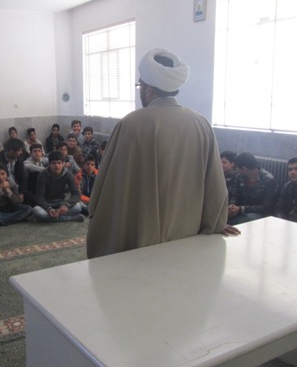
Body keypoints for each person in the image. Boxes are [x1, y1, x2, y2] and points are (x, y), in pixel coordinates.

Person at [87, 48, 234, 259]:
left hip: (139, 236)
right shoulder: (201, 124)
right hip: (185, 238)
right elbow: (215, 188)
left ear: (148, 89)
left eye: (140, 85)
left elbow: (108, 187)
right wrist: (216, 224)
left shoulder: (131, 124)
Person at [33, 151, 84, 223]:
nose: (57, 166)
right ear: (49, 164)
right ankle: (70, 218)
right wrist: (48, 208)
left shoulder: (67, 174)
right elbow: (39, 196)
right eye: (54, 163)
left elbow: (76, 193)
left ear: (63, 164)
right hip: (47, 204)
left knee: (78, 207)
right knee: (36, 211)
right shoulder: (43, 175)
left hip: (61, 203)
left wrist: (66, 205)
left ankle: (51, 218)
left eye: (59, 163)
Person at [228, 152, 278, 225]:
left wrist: (241, 209)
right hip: (241, 210)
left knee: (242, 220)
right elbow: (235, 195)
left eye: (237, 168)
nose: (236, 170)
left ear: (244, 169)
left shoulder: (269, 180)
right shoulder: (239, 177)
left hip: (260, 213)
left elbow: (266, 207)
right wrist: (232, 206)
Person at [0, 138, 29, 204]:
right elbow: (1, 180)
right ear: (11, 150)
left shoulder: (19, 159)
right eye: (19, 150)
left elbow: (23, 177)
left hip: (18, 188)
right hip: (6, 189)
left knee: (33, 200)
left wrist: (22, 194)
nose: (21, 152)